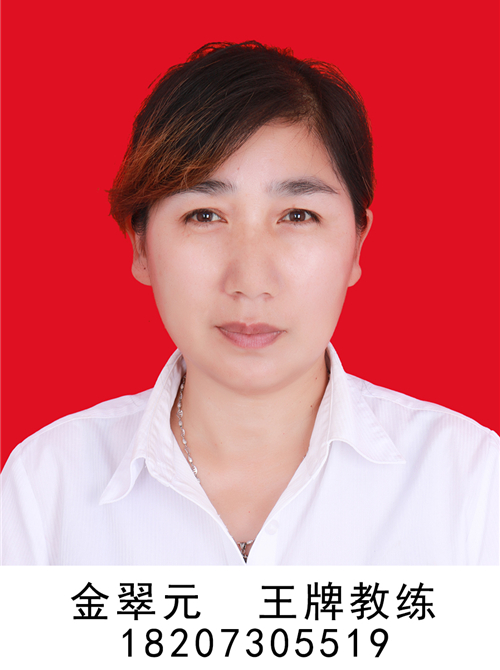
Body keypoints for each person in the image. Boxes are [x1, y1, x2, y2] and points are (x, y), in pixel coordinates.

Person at [1, 41, 498, 565]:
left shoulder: (468, 481)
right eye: (204, 216)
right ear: (141, 247)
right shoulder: (46, 488)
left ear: (357, 244)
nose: (251, 281)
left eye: (298, 216)